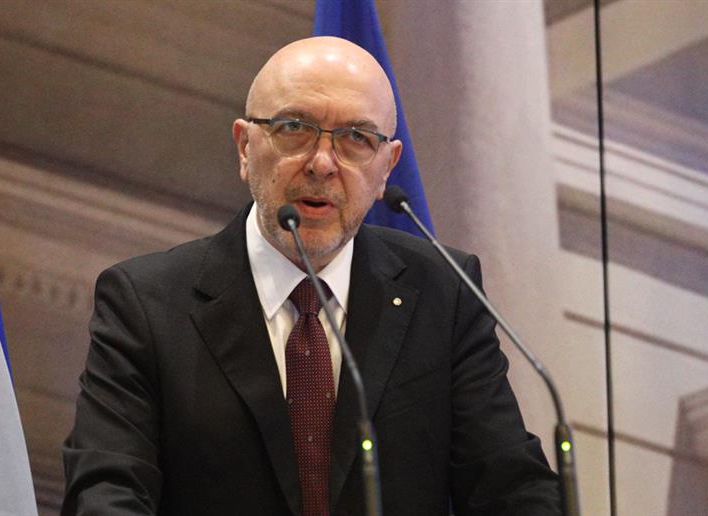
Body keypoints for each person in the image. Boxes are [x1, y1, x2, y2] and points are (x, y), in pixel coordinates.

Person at [62, 36, 559, 515]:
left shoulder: (443, 293)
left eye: (356, 138)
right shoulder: (146, 303)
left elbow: (510, 488)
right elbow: (106, 492)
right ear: (244, 146)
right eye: (295, 127)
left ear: (387, 167)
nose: (322, 164)